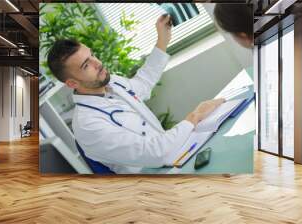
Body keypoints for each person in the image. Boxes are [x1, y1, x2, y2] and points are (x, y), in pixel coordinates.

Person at [47, 15, 225, 174]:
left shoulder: (110, 83)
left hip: (176, 157)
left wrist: (162, 39)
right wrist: (194, 117)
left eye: (92, 55)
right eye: (86, 65)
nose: (98, 63)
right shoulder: (88, 125)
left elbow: (142, 84)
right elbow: (155, 153)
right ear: (72, 83)